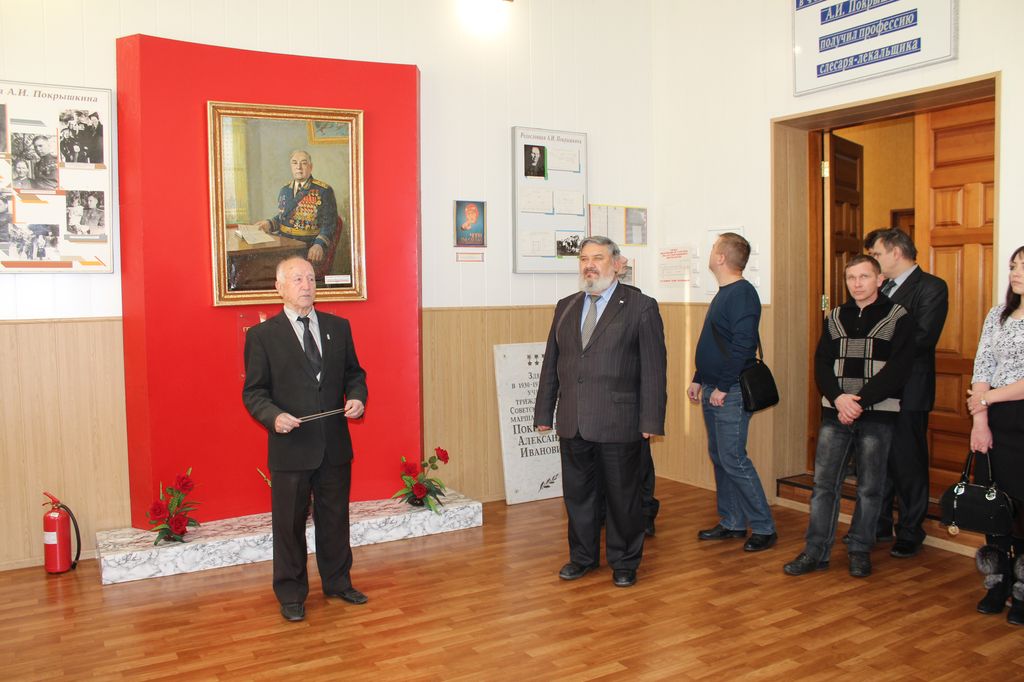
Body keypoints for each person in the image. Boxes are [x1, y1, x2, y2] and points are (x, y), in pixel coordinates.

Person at [534, 235, 667, 587]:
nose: (589, 265)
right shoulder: (566, 306)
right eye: (584, 259)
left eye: (598, 258)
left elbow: (654, 369)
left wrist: (651, 419)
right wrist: (544, 411)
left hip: (619, 420)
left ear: (617, 264)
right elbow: (552, 363)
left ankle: (624, 562)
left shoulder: (640, 307)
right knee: (579, 496)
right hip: (573, 419)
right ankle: (582, 557)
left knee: (623, 497)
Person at [242, 256, 368, 622]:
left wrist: (357, 397)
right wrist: (273, 417)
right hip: (291, 447)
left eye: (311, 278)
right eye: (297, 279)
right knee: (289, 524)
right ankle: (291, 593)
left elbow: (354, 374)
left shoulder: (338, 327)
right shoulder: (263, 336)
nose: (306, 285)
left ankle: (338, 582)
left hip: (334, 444)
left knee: (335, 518)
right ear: (279, 287)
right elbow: (254, 392)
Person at [784, 255, 914, 578]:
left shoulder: (899, 316)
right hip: (836, 412)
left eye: (864, 277)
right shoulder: (835, 316)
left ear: (879, 279)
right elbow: (822, 363)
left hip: (877, 414)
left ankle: (859, 549)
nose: (857, 284)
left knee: (870, 487)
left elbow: (898, 370)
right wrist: (839, 399)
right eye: (851, 278)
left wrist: (859, 402)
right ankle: (816, 551)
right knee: (824, 485)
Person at [690, 232, 777, 552]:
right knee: (720, 457)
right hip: (713, 387)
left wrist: (724, 387)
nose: (710, 252)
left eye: (714, 248)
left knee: (733, 458)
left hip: (730, 391)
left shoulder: (742, 293)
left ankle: (765, 527)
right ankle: (732, 521)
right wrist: (699, 378)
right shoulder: (725, 292)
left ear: (721, 257)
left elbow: (743, 345)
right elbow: (717, 342)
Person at [864, 228, 948, 558]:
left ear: (896, 253)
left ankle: (911, 530)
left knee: (908, 461)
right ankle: (880, 524)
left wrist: (876, 344)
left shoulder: (931, 287)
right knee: (879, 459)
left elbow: (923, 338)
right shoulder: (880, 287)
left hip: (910, 388)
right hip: (877, 388)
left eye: (877, 254)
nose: (874, 261)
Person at [966, 244, 1024, 624]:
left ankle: (1022, 589)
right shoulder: (997, 314)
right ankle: (998, 581)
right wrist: (980, 419)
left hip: (1018, 415)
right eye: (1013, 266)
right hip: (993, 418)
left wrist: (986, 398)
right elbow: (982, 364)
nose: (1015, 272)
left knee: (1022, 510)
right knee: (995, 505)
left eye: (1023, 267)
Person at [255, 150, 338, 271]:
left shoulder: (324, 191)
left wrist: (319, 244)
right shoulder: (284, 190)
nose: (298, 167)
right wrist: (269, 223)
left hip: (307, 247)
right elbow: (284, 216)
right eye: (294, 163)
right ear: (291, 166)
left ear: (310, 167)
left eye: (303, 163)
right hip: (284, 244)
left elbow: (329, 224)